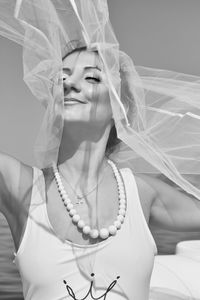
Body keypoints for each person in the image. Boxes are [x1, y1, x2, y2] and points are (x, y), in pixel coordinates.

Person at [0, 0, 200, 299]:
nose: (70, 84)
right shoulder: (21, 185)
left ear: (120, 107)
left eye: (91, 77)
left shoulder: (142, 193)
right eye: (62, 76)